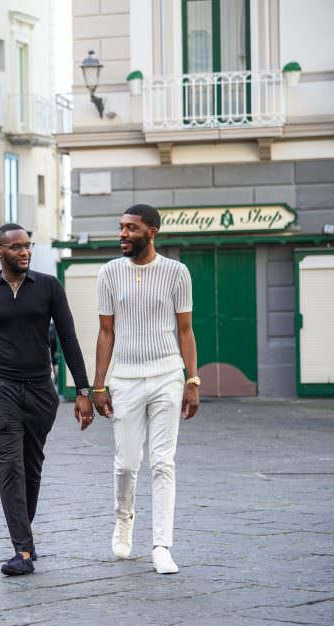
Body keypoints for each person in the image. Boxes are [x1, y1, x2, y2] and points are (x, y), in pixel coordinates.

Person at [0, 223, 94, 577]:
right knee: (11, 465)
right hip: (1, 388)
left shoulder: (48, 287)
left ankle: (24, 539)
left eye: (27, 246)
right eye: (16, 247)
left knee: (31, 468)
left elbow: (69, 338)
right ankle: (23, 549)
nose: (24, 251)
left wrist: (83, 391)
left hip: (40, 391)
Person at [92, 204, 199, 575]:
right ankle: (124, 520)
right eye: (120, 227)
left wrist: (192, 380)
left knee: (162, 462)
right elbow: (106, 332)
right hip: (124, 378)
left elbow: (185, 331)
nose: (122, 234)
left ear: (151, 232)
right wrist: (99, 385)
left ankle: (161, 545)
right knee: (125, 464)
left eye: (131, 228)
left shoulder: (176, 273)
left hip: (168, 373)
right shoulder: (109, 273)